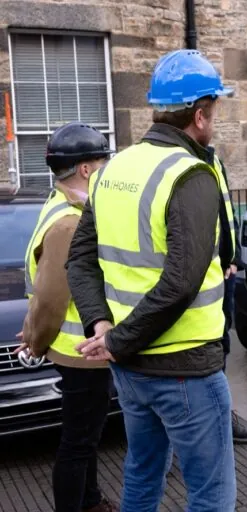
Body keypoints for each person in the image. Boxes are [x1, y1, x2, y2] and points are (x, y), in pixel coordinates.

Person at [66, 49, 236, 511]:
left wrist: (101, 325)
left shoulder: (111, 169)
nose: (215, 120)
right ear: (199, 115)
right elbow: (181, 283)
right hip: (185, 370)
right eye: (215, 110)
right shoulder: (190, 174)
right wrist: (117, 339)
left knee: (142, 474)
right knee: (211, 493)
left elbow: (78, 260)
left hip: (130, 372)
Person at [15, 122, 115, 512]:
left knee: (85, 439)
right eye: (101, 162)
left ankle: (90, 502)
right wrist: (35, 341)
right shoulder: (70, 222)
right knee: (78, 443)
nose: (106, 169)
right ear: (86, 170)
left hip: (81, 350)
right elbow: (52, 299)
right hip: (81, 353)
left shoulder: (63, 205)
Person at [215, 141, 247, 444]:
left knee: (221, 347)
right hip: (200, 279)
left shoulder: (211, 160)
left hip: (222, 274)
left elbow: (224, 212)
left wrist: (232, 258)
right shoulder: (174, 165)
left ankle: (222, 418)